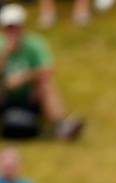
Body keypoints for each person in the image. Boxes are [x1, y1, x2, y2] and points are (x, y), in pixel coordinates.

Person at [0, 4, 84, 140]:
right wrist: (6, 54)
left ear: (23, 27)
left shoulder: (35, 44)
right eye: (9, 28)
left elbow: (47, 70)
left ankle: (61, 125)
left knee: (46, 85)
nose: (13, 31)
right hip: (5, 94)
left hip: (30, 94)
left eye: (16, 27)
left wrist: (24, 78)